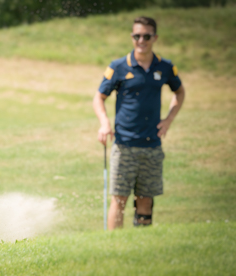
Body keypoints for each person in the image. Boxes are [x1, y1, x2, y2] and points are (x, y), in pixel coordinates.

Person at [93, 16, 185, 230]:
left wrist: (169, 120)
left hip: (152, 145)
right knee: (119, 198)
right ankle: (114, 246)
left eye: (146, 36)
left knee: (146, 198)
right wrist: (104, 123)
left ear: (155, 37)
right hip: (124, 144)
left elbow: (179, 92)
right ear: (132, 37)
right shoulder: (118, 66)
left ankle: (140, 243)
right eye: (137, 36)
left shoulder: (165, 67)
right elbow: (99, 97)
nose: (141, 40)